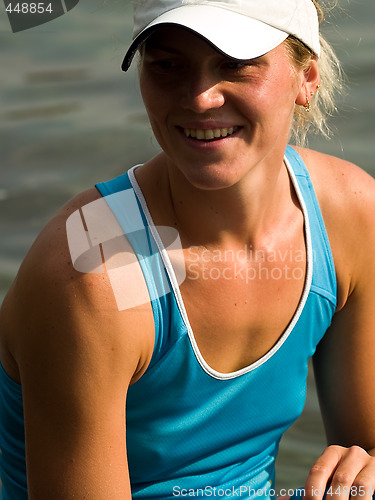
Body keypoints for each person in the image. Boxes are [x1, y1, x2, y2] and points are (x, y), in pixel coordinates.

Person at [1, 0, 375, 498]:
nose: (199, 98)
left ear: (307, 77)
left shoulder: (348, 214)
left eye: (235, 65)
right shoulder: (93, 270)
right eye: (168, 66)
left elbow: (365, 451)